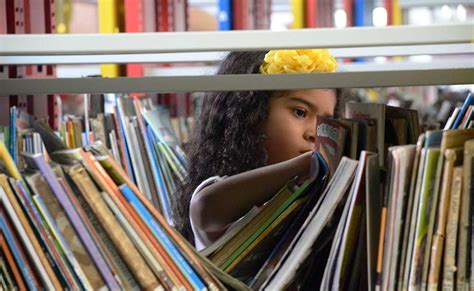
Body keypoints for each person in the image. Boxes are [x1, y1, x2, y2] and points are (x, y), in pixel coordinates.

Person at [174, 49, 344, 250]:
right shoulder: (222, 193)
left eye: (326, 121)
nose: (315, 133)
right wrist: (304, 164)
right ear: (250, 114)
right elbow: (204, 207)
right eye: (300, 112)